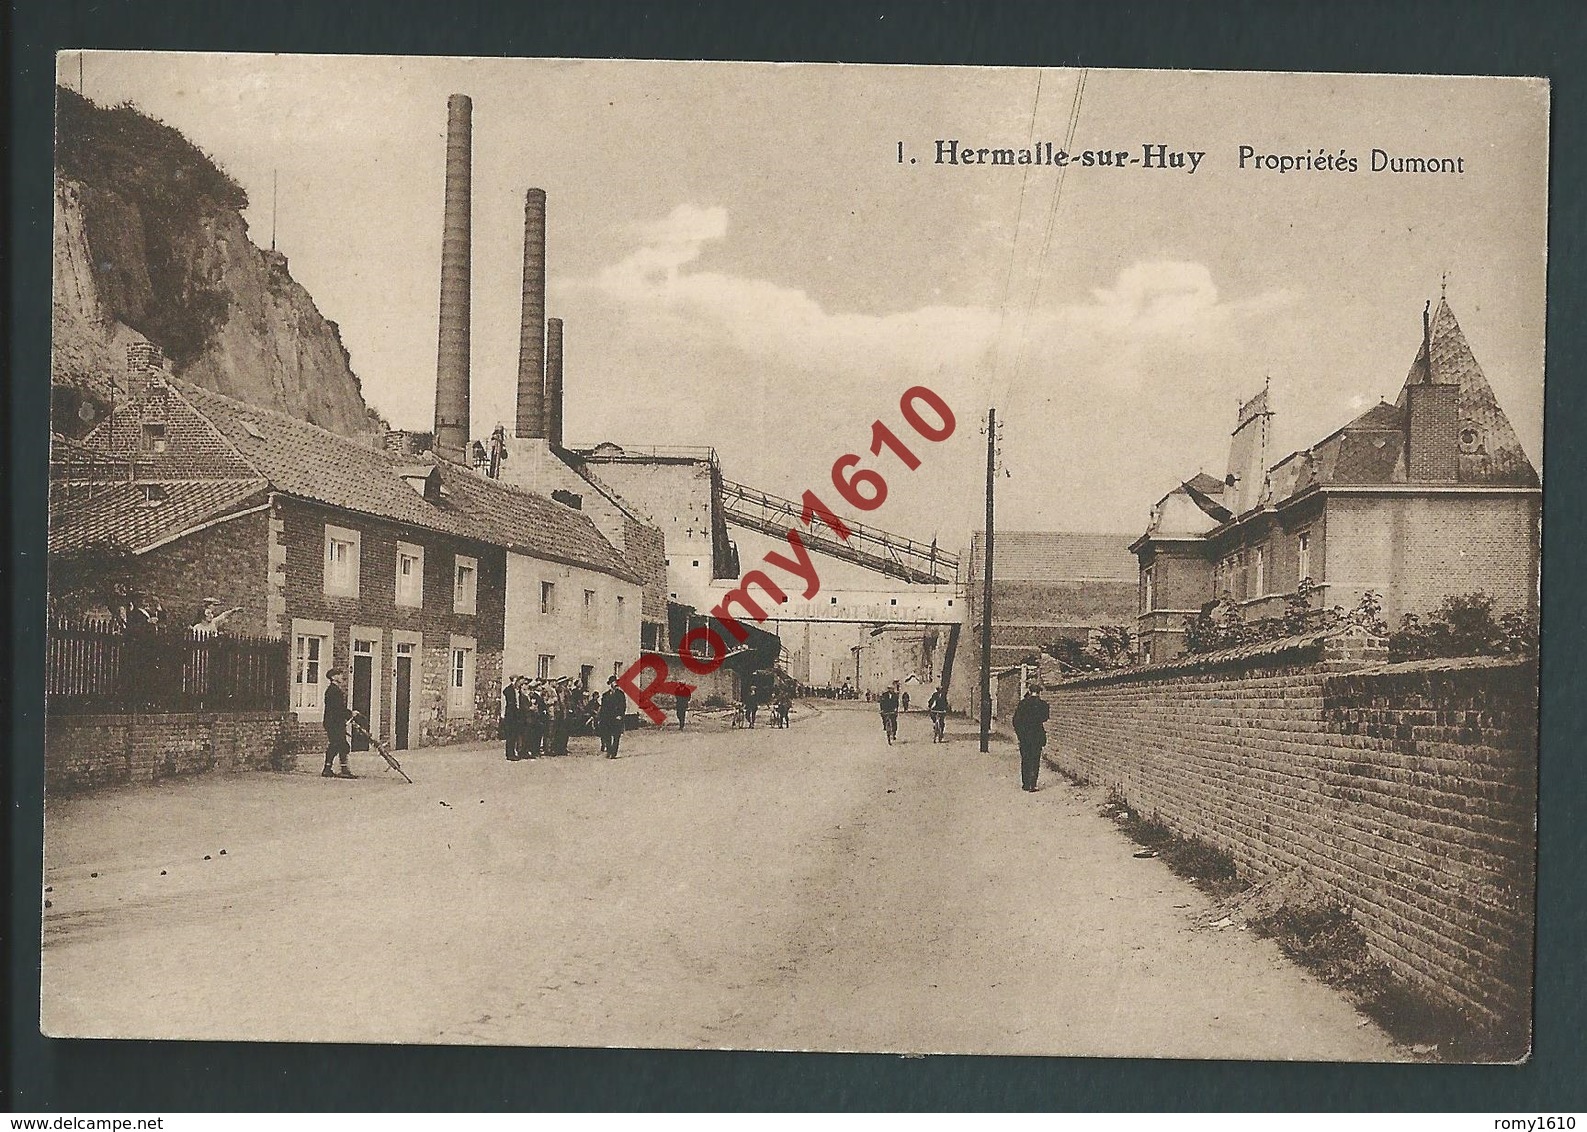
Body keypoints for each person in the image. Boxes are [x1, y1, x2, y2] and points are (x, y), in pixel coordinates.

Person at [1012, 683, 1051, 792]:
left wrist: (1020, 734)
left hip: (1024, 736)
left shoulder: (1022, 704)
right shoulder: (1043, 704)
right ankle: (1033, 784)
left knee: (1025, 759)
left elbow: (1015, 721)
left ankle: (1025, 784)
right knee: (1035, 759)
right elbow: (1045, 718)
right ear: (1039, 692)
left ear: (1029, 691)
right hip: (1037, 735)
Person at [322, 667, 356, 778]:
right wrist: (350, 714)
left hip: (334, 722)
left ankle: (330, 768)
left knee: (338, 745)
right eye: (339, 674)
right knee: (339, 744)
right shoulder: (333, 691)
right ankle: (341, 770)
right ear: (333, 677)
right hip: (334, 722)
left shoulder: (334, 690)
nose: (342, 676)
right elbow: (337, 709)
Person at [598, 676, 628, 758]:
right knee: (607, 735)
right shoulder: (605, 695)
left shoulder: (621, 694)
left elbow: (623, 706)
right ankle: (609, 750)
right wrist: (601, 718)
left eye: (616, 682)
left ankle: (613, 753)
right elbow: (603, 707)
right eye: (613, 682)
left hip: (617, 718)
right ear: (610, 684)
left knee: (616, 736)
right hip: (607, 718)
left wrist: (620, 715)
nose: (615, 684)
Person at [501, 675, 526, 760]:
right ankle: (509, 754)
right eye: (519, 682)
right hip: (510, 716)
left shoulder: (518, 691)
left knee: (514, 735)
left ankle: (513, 753)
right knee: (510, 736)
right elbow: (506, 694)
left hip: (517, 716)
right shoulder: (509, 690)